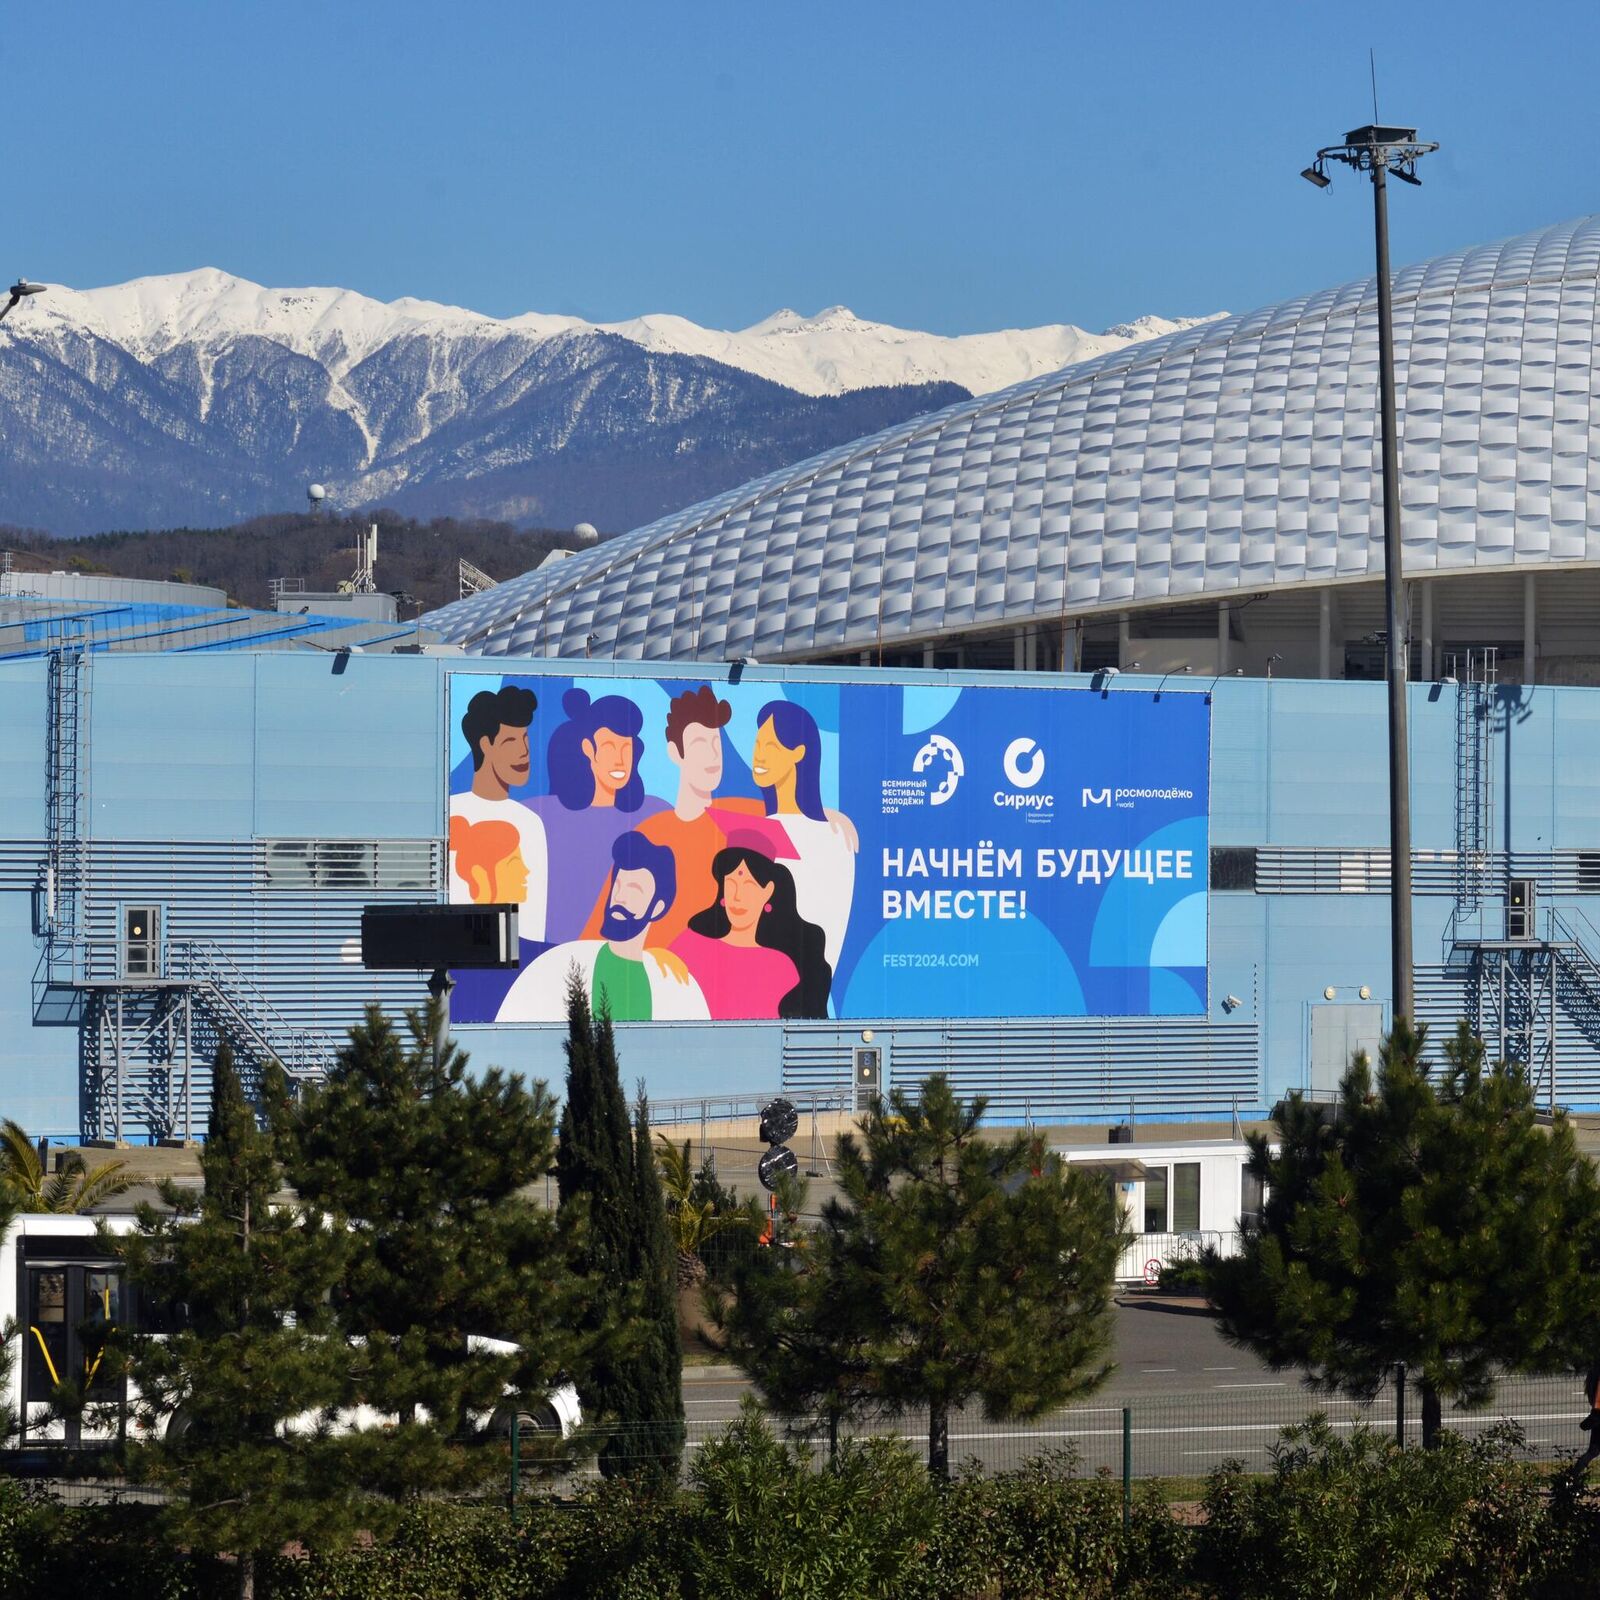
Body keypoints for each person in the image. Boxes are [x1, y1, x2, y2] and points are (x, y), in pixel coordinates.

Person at [584, 685, 738, 951]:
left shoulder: (739, 818)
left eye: (717, 744)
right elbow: (602, 925)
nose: (713, 757)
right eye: (700, 744)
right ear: (674, 752)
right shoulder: (653, 831)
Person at [498, 831, 708, 1022]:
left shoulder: (676, 982)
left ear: (657, 908)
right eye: (617, 885)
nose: (619, 897)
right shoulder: (561, 962)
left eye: (634, 889)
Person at [524, 688, 665, 943]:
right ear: (588, 749)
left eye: (627, 748)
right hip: (556, 954)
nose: (620, 760)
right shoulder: (540, 816)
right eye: (609, 747)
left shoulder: (656, 814)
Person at [672, 837, 832, 1020]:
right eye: (731, 884)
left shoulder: (782, 967)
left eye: (748, 886)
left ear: (768, 891)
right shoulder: (689, 945)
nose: (737, 896)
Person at [448, 683, 548, 940]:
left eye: (526, 739)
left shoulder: (531, 822)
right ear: (485, 745)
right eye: (511, 741)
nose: (524, 752)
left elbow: (533, 922)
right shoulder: (449, 812)